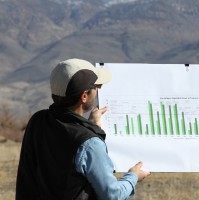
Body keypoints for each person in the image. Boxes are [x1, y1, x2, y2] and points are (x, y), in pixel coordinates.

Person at [16, 58, 150, 200]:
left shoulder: (38, 120)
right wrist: (133, 176)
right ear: (84, 96)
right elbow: (113, 195)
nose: (98, 89)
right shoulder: (90, 143)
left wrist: (89, 126)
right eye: (95, 86)